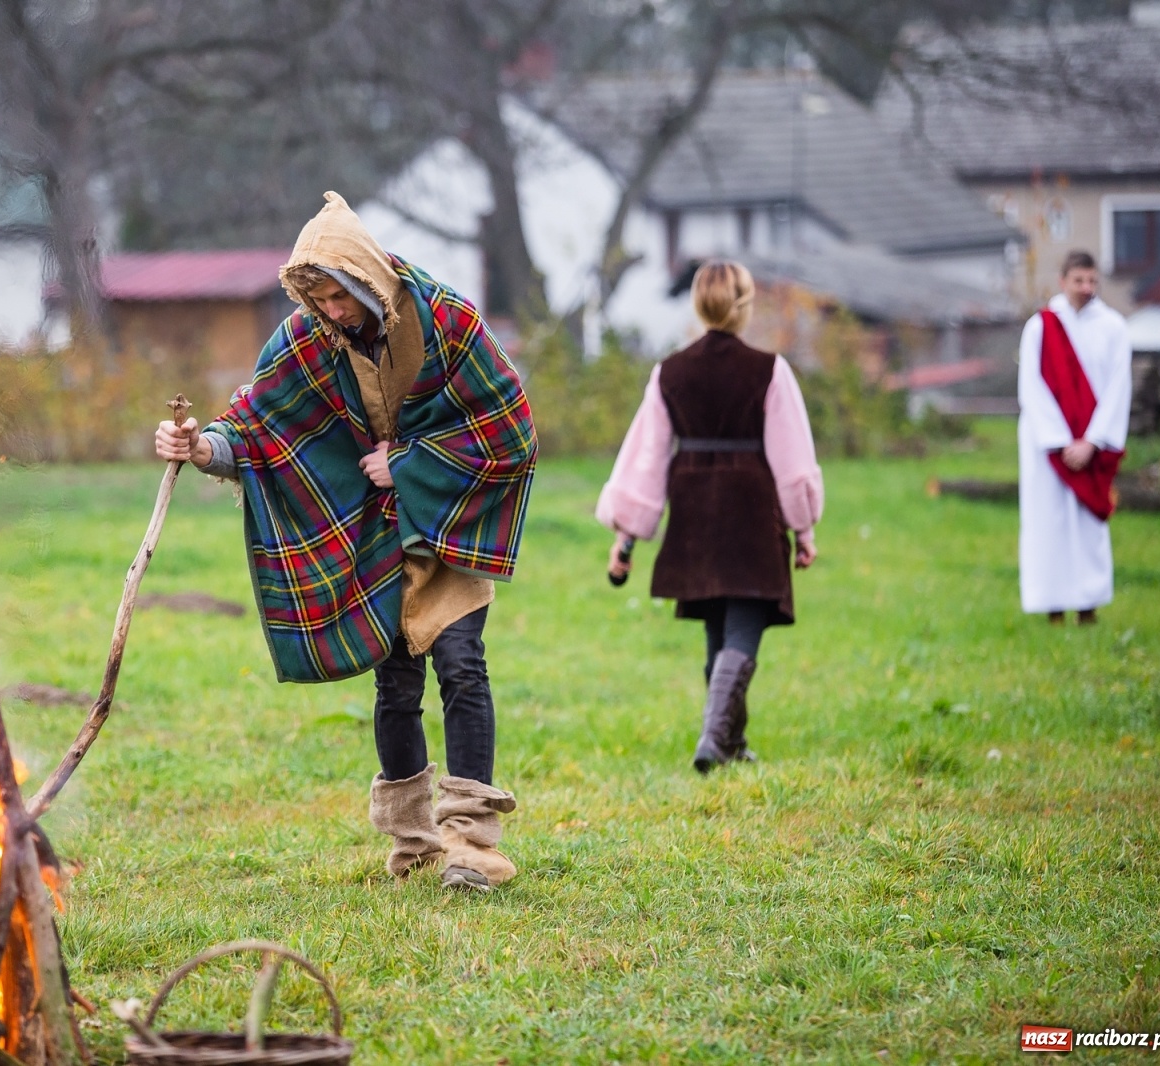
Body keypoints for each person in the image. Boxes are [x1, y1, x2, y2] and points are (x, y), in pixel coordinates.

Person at [155, 192, 537, 890]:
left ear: (367, 278)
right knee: (394, 683)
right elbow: (254, 423)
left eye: (339, 295)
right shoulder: (306, 338)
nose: (331, 311)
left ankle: (473, 845)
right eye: (319, 299)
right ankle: (414, 842)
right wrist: (198, 447)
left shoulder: (448, 321)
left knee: (461, 663)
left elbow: (510, 425)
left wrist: (409, 464)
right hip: (372, 536)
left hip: (444, 522)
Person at [596, 260, 823, 773]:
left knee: (718, 630)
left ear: (699, 306)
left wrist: (626, 540)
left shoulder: (669, 372)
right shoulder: (770, 370)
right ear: (744, 307)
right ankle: (714, 739)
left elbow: (646, 458)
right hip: (750, 511)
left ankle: (730, 743)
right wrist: (804, 527)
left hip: (696, 512)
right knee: (742, 627)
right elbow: (792, 461)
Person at [1017, 250, 1131, 625]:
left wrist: (1092, 440)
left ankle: (1088, 604)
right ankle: (1052, 605)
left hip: (1091, 444)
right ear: (1063, 281)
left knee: (1087, 526)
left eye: (1092, 281)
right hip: (1048, 446)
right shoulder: (1041, 326)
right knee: (1047, 523)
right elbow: (1032, 387)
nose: (1086, 288)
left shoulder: (1113, 327)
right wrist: (1060, 440)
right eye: (1079, 280)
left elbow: (1118, 388)